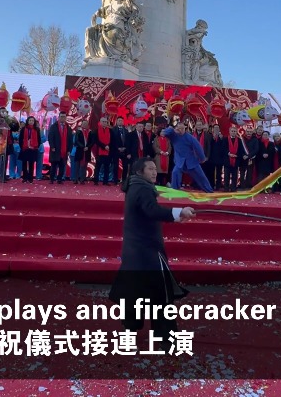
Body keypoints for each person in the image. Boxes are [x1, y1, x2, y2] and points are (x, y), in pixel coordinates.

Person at [110, 158, 195, 348]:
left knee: (134, 292)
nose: (154, 172)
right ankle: (166, 338)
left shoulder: (134, 186)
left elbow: (146, 213)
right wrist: (179, 212)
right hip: (147, 251)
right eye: (150, 169)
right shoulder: (143, 188)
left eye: (155, 169)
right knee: (161, 295)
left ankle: (130, 331)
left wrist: (176, 217)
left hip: (134, 250)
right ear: (140, 171)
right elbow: (151, 210)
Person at [161, 122, 213, 193]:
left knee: (201, 176)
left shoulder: (190, 137)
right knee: (175, 172)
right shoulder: (174, 136)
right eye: (179, 129)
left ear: (185, 128)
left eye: (182, 128)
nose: (181, 130)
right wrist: (171, 129)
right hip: (180, 161)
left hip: (191, 161)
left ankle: (209, 191)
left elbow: (198, 147)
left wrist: (202, 158)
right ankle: (175, 190)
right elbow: (164, 133)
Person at [47, 113, 73, 184]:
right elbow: (50, 137)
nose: (63, 118)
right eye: (61, 117)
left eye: (64, 117)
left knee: (62, 166)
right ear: (59, 117)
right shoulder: (54, 126)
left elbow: (70, 139)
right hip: (55, 149)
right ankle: (52, 179)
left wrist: (69, 149)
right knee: (54, 166)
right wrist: (52, 146)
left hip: (64, 150)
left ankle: (59, 179)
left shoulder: (68, 127)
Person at [89, 117, 114, 186]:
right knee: (98, 167)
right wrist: (104, 146)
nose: (104, 123)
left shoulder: (110, 131)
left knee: (107, 167)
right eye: (103, 121)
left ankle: (105, 181)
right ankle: (96, 180)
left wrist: (108, 146)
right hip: (99, 151)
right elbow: (96, 141)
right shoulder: (96, 131)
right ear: (100, 122)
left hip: (108, 151)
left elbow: (113, 141)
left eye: (105, 122)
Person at [18, 117, 42, 184]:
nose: (31, 122)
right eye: (30, 120)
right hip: (25, 148)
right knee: (24, 163)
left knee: (31, 163)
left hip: (33, 149)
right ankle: (24, 177)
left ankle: (30, 178)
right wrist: (22, 146)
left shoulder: (36, 129)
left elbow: (39, 139)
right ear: (27, 121)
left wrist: (36, 146)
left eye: (32, 120)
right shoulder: (23, 129)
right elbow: (20, 139)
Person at [223, 126, 247, 192]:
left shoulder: (239, 140)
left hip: (236, 160)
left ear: (236, 132)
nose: (233, 132)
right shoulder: (225, 139)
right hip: (227, 160)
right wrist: (228, 153)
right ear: (229, 132)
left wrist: (236, 155)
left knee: (234, 176)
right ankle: (226, 188)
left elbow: (241, 150)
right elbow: (223, 148)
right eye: (232, 131)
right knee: (226, 176)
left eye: (234, 131)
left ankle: (233, 188)